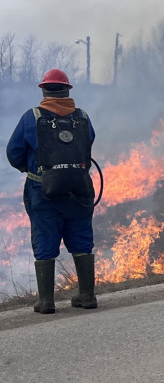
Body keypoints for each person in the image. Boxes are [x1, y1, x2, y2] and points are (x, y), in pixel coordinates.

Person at [6, 69, 97, 314]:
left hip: (42, 190)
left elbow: (13, 153)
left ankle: (46, 301)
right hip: (79, 189)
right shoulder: (83, 118)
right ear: (68, 90)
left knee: (45, 238)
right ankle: (87, 295)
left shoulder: (32, 117)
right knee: (81, 239)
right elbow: (88, 144)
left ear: (44, 90)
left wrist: (36, 170)